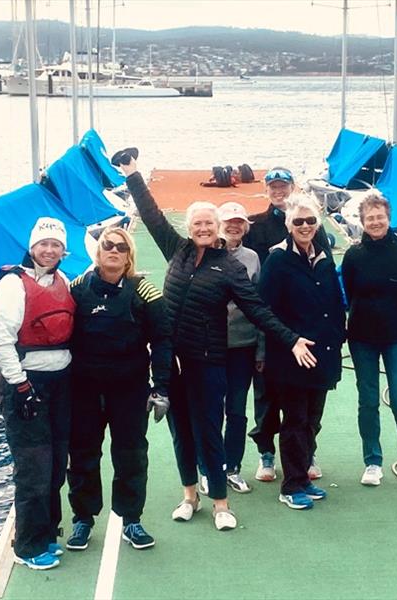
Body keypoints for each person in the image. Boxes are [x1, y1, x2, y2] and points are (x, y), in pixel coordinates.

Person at [119, 152, 316, 531]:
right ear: (189, 226)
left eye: (209, 223)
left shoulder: (229, 268)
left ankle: (221, 504)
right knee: (181, 433)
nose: (204, 228)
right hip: (170, 362)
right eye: (198, 223)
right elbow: (151, 212)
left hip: (207, 362)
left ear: (219, 228)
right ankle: (190, 495)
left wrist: (290, 340)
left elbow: (258, 309)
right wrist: (132, 174)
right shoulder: (176, 249)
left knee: (209, 429)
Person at [64, 227, 171, 552]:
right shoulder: (79, 289)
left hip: (129, 389)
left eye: (120, 247)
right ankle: (83, 518)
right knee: (82, 454)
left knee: (131, 455)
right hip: (84, 390)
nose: (113, 250)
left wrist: (161, 387)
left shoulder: (145, 292)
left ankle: (131, 520)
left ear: (129, 254)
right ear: (99, 252)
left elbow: (163, 341)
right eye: (108, 245)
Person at [0, 217, 75, 570]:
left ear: (62, 250)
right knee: (33, 468)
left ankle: (47, 530)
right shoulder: (13, 284)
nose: (49, 250)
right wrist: (20, 384)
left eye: (56, 245)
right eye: (43, 244)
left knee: (55, 464)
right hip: (27, 384)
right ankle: (27, 545)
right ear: (32, 246)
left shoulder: (63, 280)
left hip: (61, 382)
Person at [258, 195, 346, 510]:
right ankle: (291, 483)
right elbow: (264, 310)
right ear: (288, 225)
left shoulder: (322, 256)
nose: (305, 226)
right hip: (291, 357)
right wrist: (290, 340)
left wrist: (338, 337)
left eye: (310, 221)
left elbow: (334, 301)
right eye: (298, 222)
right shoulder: (278, 260)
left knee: (311, 419)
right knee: (294, 420)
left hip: (321, 354)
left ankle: (304, 477)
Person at [243, 167, 331, 482]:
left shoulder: (314, 229)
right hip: (272, 326)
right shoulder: (256, 227)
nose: (278, 191)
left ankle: (306, 452)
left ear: (292, 187)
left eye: (283, 186)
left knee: (309, 401)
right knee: (267, 397)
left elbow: (327, 278)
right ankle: (267, 453)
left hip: (306, 329)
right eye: (273, 186)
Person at [341, 192, 397, 490]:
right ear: (363, 222)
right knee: (368, 401)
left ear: (388, 218)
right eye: (370, 218)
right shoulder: (354, 255)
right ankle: (373, 461)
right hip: (362, 338)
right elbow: (350, 293)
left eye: (380, 217)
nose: (375, 222)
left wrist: (392, 316)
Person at [197, 202, 262, 496]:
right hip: (210, 347)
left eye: (239, 222)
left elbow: (260, 305)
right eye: (228, 222)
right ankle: (208, 468)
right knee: (209, 409)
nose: (233, 226)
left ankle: (232, 467)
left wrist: (261, 349)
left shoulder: (252, 258)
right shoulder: (204, 255)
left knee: (236, 411)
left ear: (245, 227)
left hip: (243, 346)